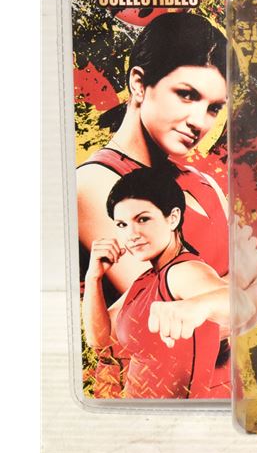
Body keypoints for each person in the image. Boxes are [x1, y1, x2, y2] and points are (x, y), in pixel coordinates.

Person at [77, 12, 257, 397]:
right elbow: (146, 328)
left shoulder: (205, 184)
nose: (200, 121)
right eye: (187, 94)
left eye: (214, 107)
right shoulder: (95, 182)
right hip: (159, 400)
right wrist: (233, 289)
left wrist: (224, 300)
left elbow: (253, 309)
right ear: (139, 83)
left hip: (232, 393)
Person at [82, 168, 247, 398]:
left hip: (178, 414)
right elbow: (100, 339)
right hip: (143, 413)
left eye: (143, 219)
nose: (132, 234)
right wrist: (94, 277)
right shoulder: (148, 279)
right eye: (122, 224)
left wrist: (198, 306)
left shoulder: (182, 272)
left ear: (173, 218)